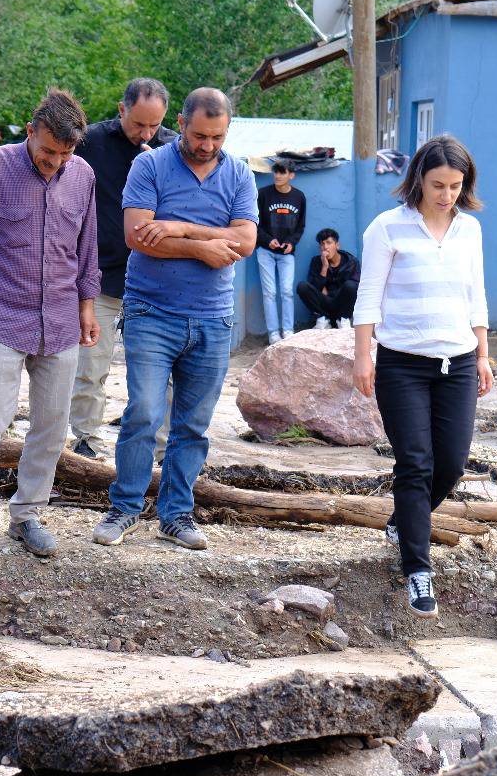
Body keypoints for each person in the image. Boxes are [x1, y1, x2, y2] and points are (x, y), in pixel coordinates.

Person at [0, 89, 100, 562]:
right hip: (3, 315)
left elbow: (87, 245)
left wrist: (87, 306)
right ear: (30, 132)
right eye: (48, 151)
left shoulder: (83, 176)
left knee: (52, 424)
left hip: (62, 320)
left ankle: (28, 514)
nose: (55, 162)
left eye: (65, 154)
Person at [93, 87, 256, 550]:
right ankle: (124, 508)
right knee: (144, 412)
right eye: (200, 135)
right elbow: (137, 236)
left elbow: (245, 241)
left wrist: (180, 228)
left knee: (192, 424)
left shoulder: (240, 174)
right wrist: (204, 248)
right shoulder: (149, 166)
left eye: (217, 137)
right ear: (181, 123)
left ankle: (176, 514)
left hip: (212, 317)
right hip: (151, 310)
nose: (208, 145)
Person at [352, 136, 492, 618]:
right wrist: (362, 356)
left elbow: (476, 294)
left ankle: (403, 521)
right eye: (438, 185)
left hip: (459, 362)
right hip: (402, 364)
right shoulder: (387, 228)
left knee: (450, 464)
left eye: (455, 186)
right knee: (415, 463)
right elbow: (368, 297)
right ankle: (417, 569)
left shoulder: (470, 230)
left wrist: (484, 355)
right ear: (418, 180)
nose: (446, 195)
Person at [67, 77, 178, 459]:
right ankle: (85, 440)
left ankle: (158, 449)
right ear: (121, 110)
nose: (146, 134)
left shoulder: (174, 150)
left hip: (155, 280)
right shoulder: (91, 143)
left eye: (154, 125)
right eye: (138, 124)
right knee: (90, 365)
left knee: (157, 373)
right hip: (99, 276)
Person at [255, 160, 305, 343]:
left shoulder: (299, 197)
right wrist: (268, 240)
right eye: (275, 172)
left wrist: (291, 243)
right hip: (265, 250)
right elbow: (254, 223)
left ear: (291, 175)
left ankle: (288, 331)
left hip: (287, 253)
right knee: (269, 292)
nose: (277, 176)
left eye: (282, 172)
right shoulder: (263, 194)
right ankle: (273, 333)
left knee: (287, 292)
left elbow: (300, 226)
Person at [296, 227, 359, 330]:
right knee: (302, 286)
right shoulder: (316, 262)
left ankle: (343, 320)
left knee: (351, 285)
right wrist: (324, 267)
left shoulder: (351, 262)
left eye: (329, 243)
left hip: (343, 306)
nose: (325, 247)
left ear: (337, 245)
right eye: (322, 244)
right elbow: (314, 290)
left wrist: (331, 290)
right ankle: (323, 320)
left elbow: (355, 288)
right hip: (324, 307)